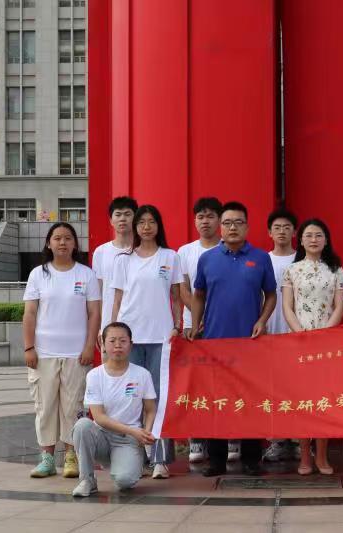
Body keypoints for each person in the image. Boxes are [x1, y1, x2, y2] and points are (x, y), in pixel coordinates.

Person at [189, 200, 277, 477]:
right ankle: (216, 460)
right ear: (220, 227)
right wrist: (194, 325)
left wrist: (262, 320)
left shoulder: (260, 258)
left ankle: (251, 459)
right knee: (217, 401)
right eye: (227, 223)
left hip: (250, 343)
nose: (232, 227)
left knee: (250, 401)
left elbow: (271, 295)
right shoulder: (207, 259)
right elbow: (198, 295)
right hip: (215, 342)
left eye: (238, 222)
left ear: (247, 227)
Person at [22, 222, 101, 479]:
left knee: (73, 407)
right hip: (43, 353)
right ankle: (46, 458)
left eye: (68, 238)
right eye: (57, 238)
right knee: (45, 406)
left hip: (77, 354)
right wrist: (29, 347)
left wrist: (89, 346)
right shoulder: (38, 274)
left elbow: (94, 313)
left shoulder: (86, 274)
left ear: (75, 244)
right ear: (49, 243)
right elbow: (30, 313)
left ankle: (70, 455)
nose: (63, 242)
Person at [111, 204, 182, 479]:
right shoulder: (123, 260)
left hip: (161, 337)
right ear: (136, 227)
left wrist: (177, 326)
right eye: (142, 222)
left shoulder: (170, 257)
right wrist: (112, 333)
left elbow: (176, 297)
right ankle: (135, 457)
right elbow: (117, 299)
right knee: (133, 398)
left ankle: (160, 459)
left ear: (158, 226)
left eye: (152, 222)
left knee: (159, 398)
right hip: (130, 337)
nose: (146, 227)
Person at [282, 218, 343, 475]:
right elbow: (287, 306)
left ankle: (321, 457)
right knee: (302, 401)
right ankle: (305, 458)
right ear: (301, 240)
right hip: (298, 342)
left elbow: (340, 306)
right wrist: (300, 333)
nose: (313, 239)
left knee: (323, 400)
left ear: (326, 240)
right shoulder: (292, 270)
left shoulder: (336, 270)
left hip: (327, 343)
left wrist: (325, 334)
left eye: (318, 235)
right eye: (308, 235)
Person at [71, 322, 157, 497]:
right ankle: (87, 480)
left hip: (128, 440)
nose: (118, 345)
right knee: (82, 426)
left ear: (131, 345)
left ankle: (125, 462)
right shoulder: (94, 375)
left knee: (125, 481)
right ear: (102, 344)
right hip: (102, 436)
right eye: (112, 341)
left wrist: (145, 433)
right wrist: (133, 431)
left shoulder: (142, 374)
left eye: (123, 341)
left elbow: (150, 409)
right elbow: (99, 417)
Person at [178, 196, 223, 464]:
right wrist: (197, 319)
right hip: (192, 328)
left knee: (224, 383)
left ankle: (231, 438)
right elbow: (183, 288)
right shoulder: (185, 252)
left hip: (222, 326)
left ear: (219, 220)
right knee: (195, 383)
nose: (205, 221)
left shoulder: (228, 249)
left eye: (210, 216)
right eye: (200, 217)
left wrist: (211, 317)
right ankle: (196, 437)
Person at [262, 207, 299, 464]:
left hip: (297, 332)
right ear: (269, 232)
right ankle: (276, 440)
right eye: (277, 228)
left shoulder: (303, 259)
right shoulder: (262, 259)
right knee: (272, 389)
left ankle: (299, 440)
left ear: (294, 232)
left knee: (298, 388)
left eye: (287, 227)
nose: (282, 232)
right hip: (269, 331)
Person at [92, 196, 138, 349]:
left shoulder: (142, 251)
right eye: (118, 214)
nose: (122, 219)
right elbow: (97, 293)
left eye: (127, 214)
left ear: (135, 218)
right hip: (109, 326)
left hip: (138, 324)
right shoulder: (101, 252)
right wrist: (100, 327)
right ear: (111, 220)